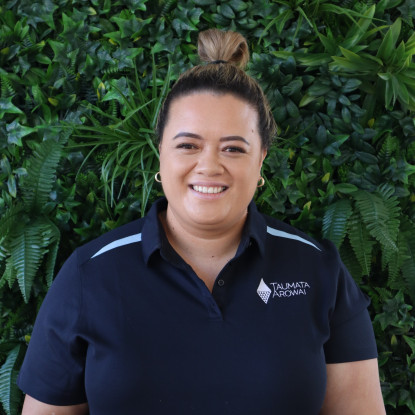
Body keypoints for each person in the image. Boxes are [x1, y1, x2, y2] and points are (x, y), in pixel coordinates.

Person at [18, 29, 386, 414]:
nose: (209, 165)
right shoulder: (88, 275)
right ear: (161, 152)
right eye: (188, 145)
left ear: (260, 160)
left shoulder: (318, 270)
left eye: (233, 148)